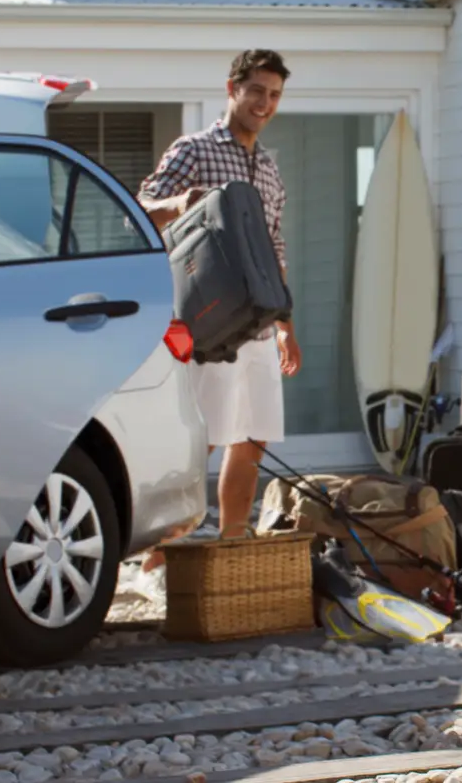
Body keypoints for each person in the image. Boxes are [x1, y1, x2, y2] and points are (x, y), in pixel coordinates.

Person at [137, 49, 301, 569]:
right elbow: (140, 209)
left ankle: (234, 544)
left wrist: (285, 325)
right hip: (210, 323)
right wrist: (182, 203)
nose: (265, 103)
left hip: (259, 325)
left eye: (274, 95)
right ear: (232, 88)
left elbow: (275, 249)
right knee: (201, 440)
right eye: (256, 91)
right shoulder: (195, 149)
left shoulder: (271, 171)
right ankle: (157, 554)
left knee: (252, 437)